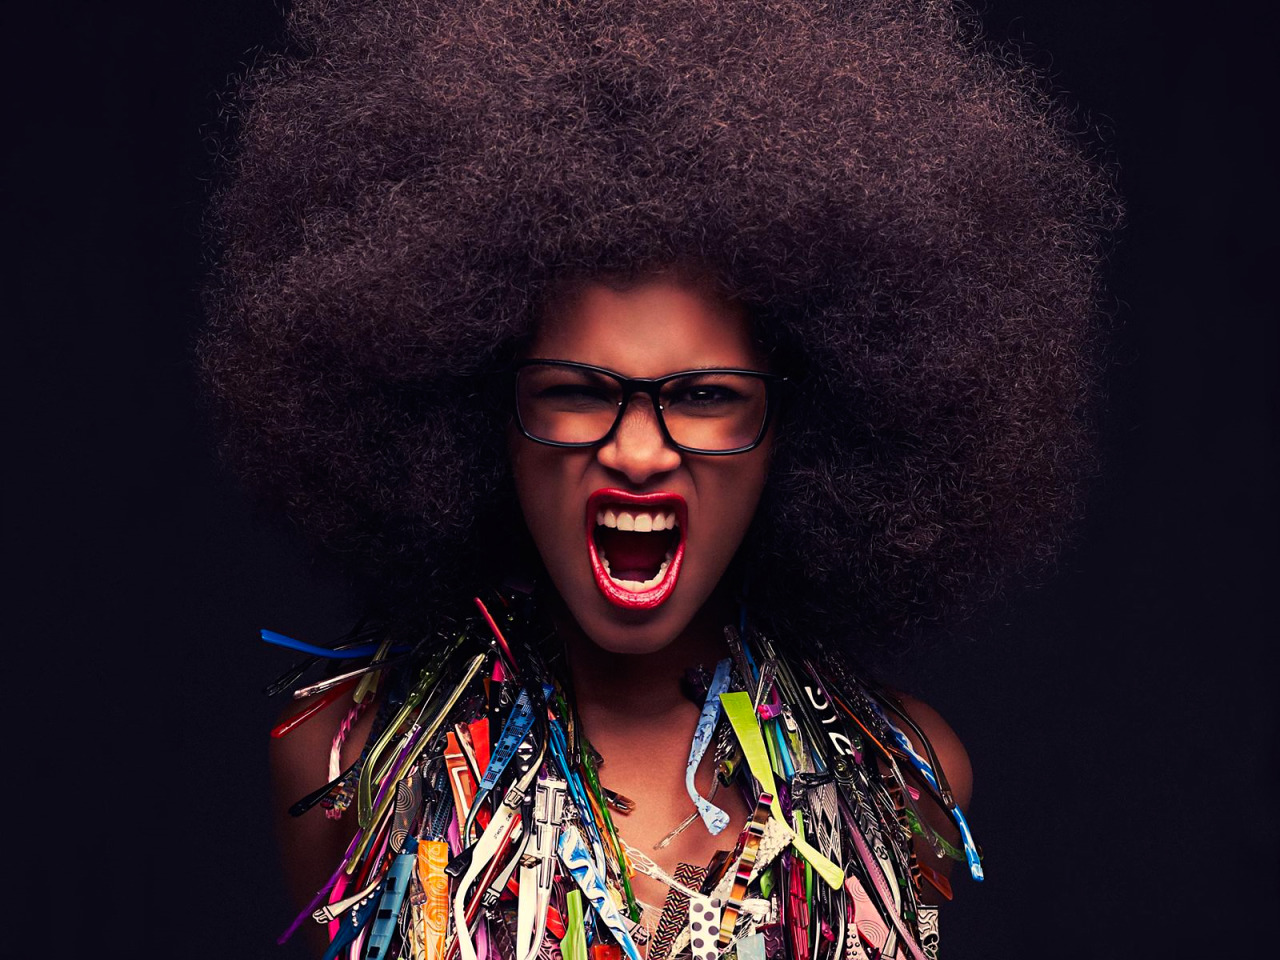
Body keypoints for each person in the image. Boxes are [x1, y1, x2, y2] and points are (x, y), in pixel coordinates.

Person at [200, 2, 1117, 958]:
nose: (639, 453)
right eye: (575, 390)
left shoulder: (906, 782)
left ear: (796, 430)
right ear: (480, 413)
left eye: (706, 394)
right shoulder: (347, 764)